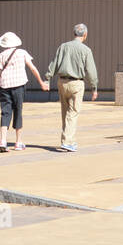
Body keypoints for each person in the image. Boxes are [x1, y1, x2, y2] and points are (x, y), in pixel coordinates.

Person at [0, 32, 48, 152]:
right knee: (18, 111)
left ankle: (3, 140)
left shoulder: (0, 56)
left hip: (4, 87)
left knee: (5, 112)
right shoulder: (22, 53)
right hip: (18, 86)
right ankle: (18, 142)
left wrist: (2, 74)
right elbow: (32, 68)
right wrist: (41, 82)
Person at [46, 23, 98, 152]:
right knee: (73, 113)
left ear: (74, 33)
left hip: (62, 82)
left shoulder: (63, 47)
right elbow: (91, 70)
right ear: (85, 35)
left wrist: (47, 78)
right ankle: (67, 141)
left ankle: (69, 139)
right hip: (76, 83)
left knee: (65, 112)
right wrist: (94, 87)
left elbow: (54, 63)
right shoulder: (86, 50)